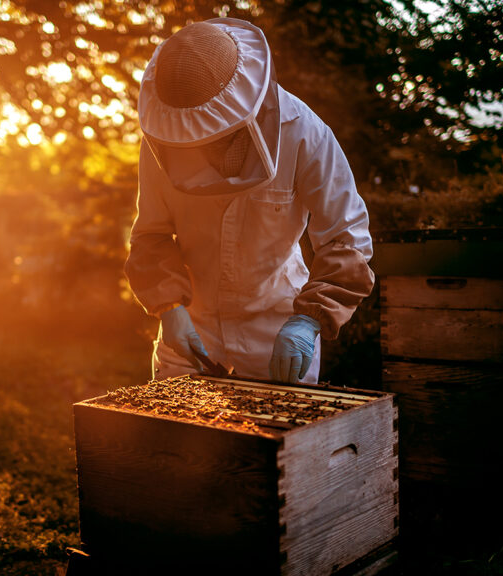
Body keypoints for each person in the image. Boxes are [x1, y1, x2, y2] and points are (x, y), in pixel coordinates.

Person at [124, 17, 375, 384]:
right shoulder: (164, 139)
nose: (199, 148)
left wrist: (309, 320)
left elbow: (346, 240)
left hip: (277, 329)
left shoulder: (305, 133)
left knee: (281, 441)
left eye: (211, 138)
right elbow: (151, 235)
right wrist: (169, 307)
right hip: (192, 330)